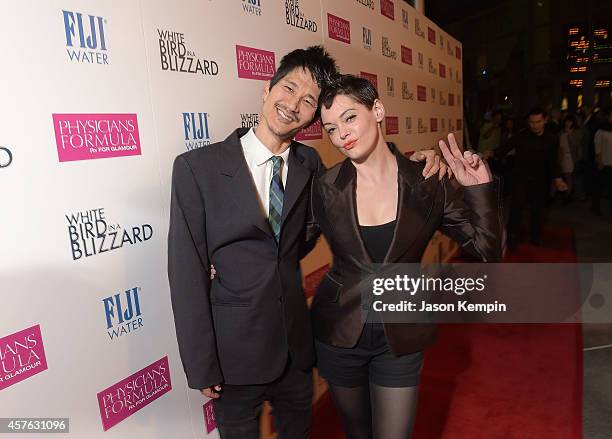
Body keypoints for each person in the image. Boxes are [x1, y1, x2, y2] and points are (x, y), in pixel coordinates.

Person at [167, 47, 443, 439]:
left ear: (315, 115)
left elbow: (351, 195)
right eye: (288, 88)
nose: (293, 104)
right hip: (233, 357)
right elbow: (185, 272)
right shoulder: (197, 169)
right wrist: (200, 363)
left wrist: (420, 162)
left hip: (297, 350)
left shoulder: (309, 165)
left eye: (308, 100)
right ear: (267, 89)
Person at [309, 75, 503, 439]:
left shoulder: (428, 180)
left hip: (401, 333)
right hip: (340, 333)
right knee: (356, 432)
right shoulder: (324, 187)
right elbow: (292, 242)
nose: (342, 135)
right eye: (332, 128)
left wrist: (479, 189)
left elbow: (486, 250)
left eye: (350, 118)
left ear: (378, 110)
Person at [496, 107, 566, 248]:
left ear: (544, 120)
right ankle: (512, 238)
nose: (535, 125)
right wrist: (490, 153)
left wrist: (558, 179)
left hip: (541, 180)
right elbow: (505, 148)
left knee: (538, 211)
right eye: (532, 122)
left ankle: (536, 236)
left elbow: (553, 162)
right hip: (520, 179)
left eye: (538, 122)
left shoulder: (552, 139)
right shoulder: (521, 136)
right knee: (516, 210)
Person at [593, 108, 612, 215]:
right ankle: (596, 206)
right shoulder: (600, 130)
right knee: (600, 185)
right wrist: (599, 160)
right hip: (604, 162)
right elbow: (597, 146)